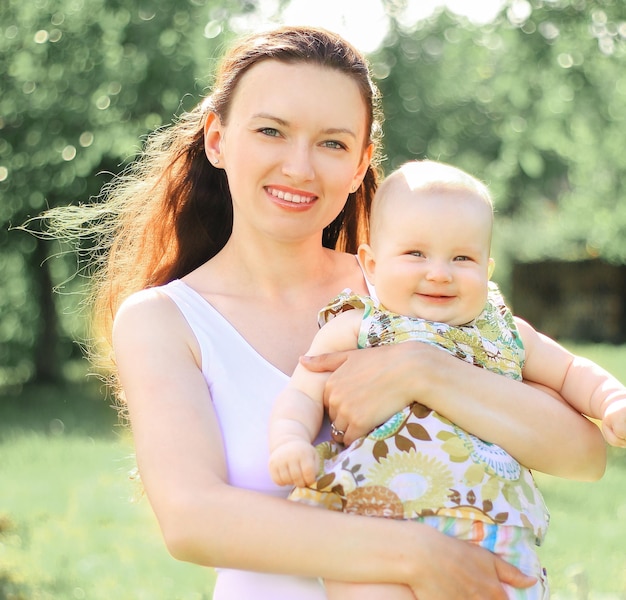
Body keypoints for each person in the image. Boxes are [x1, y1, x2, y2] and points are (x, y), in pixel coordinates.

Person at [43, 26, 606, 599]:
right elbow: (192, 519)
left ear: (363, 161)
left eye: (332, 143)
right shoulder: (165, 320)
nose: (299, 167)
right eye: (271, 131)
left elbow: (582, 455)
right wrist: (417, 555)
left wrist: (421, 369)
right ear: (217, 138)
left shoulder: (417, 289)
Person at [269, 159, 626, 599]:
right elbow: (304, 388)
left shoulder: (502, 331)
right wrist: (289, 440)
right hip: (376, 522)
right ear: (372, 264)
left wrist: (611, 402)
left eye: (462, 257)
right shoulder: (361, 325)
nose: (439, 272)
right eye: (416, 254)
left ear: (487, 269)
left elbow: (571, 370)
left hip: (494, 524)